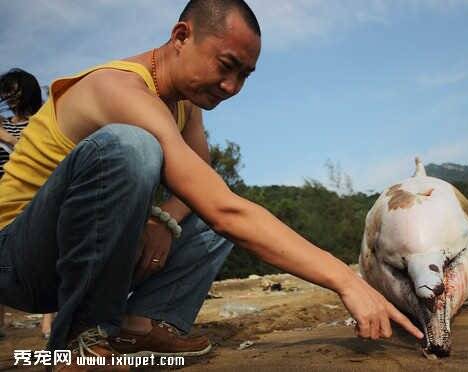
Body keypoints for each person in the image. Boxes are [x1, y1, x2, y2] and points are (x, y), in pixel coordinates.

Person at [0, 0, 423, 368]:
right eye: (226, 66)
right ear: (182, 36)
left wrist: (164, 222)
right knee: (133, 148)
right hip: (17, 261)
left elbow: (206, 186)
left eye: (245, 76)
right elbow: (225, 212)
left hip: (77, 259)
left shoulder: (184, 104)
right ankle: (79, 345)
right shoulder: (119, 88)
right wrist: (346, 280)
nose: (231, 87)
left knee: (204, 199)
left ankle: (139, 327)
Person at [0, 68, 43, 340]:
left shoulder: (41, 122)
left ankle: (50, 324)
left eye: (14, 89)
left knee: (46, 256)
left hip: (33, 197)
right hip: (3, 196)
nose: (10, 96)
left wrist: (7, 138)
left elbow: (40, 154)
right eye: (6, 91)